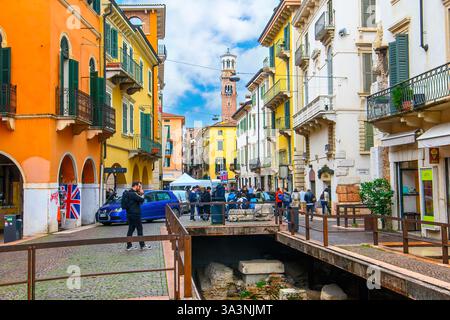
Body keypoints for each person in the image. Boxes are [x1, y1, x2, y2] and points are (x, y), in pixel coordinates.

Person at [122, 182, 151, 251]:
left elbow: (138, 201)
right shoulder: (133, 194)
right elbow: (142, 199)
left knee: (131, 229)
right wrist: (142, 193)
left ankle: (129, 246)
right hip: (135, 215)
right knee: (139, 229)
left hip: (129, 214)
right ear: (135, 186)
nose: (140, 187)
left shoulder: (128, 193)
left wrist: (139, 193)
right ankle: (142, 245)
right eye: (139, 186)